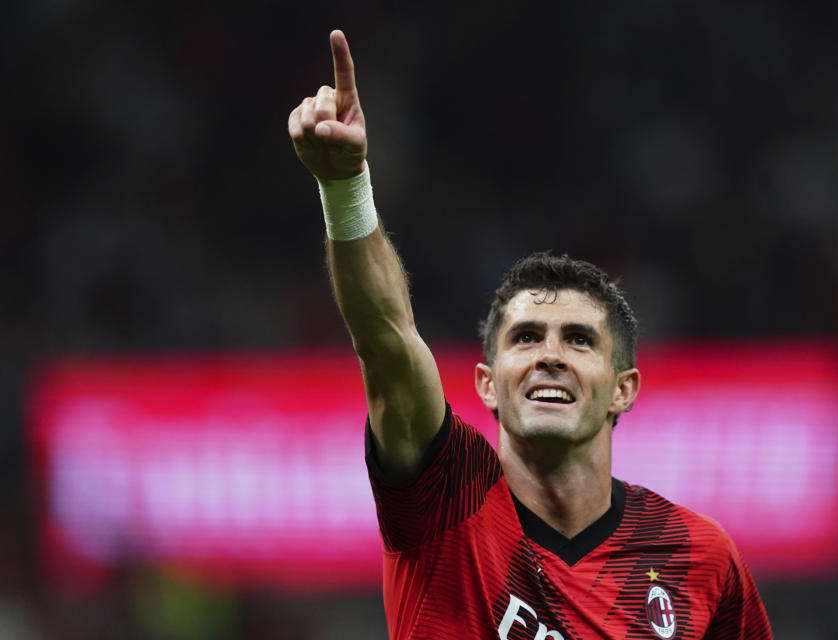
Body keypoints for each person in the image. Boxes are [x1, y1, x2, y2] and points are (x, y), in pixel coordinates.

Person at [288, 29, 773, 640]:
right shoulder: (448, 502)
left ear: (624, 389)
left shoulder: (700, 559)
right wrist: (345, 187)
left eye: (578, 339)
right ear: (487, 385)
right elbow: (387, 339)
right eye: (525, 338)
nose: (549, 356)